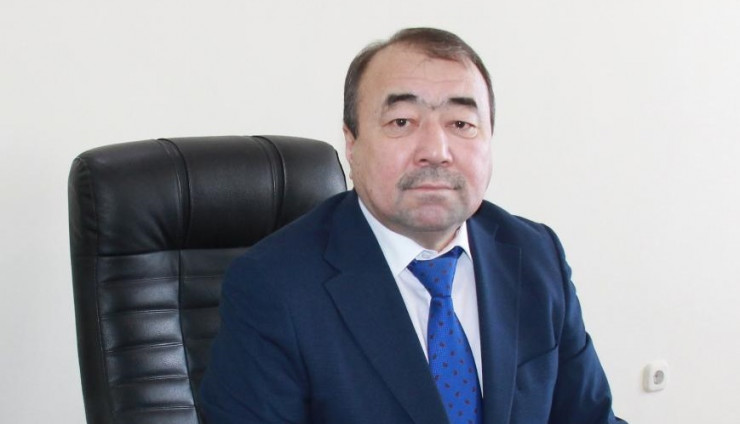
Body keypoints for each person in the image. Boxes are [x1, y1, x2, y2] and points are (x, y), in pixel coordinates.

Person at [200, 27, 626, 424]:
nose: (436, 151)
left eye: (461, 124)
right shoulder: (274, 286)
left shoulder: (536, 255)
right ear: (352, 143)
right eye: (401, 122)